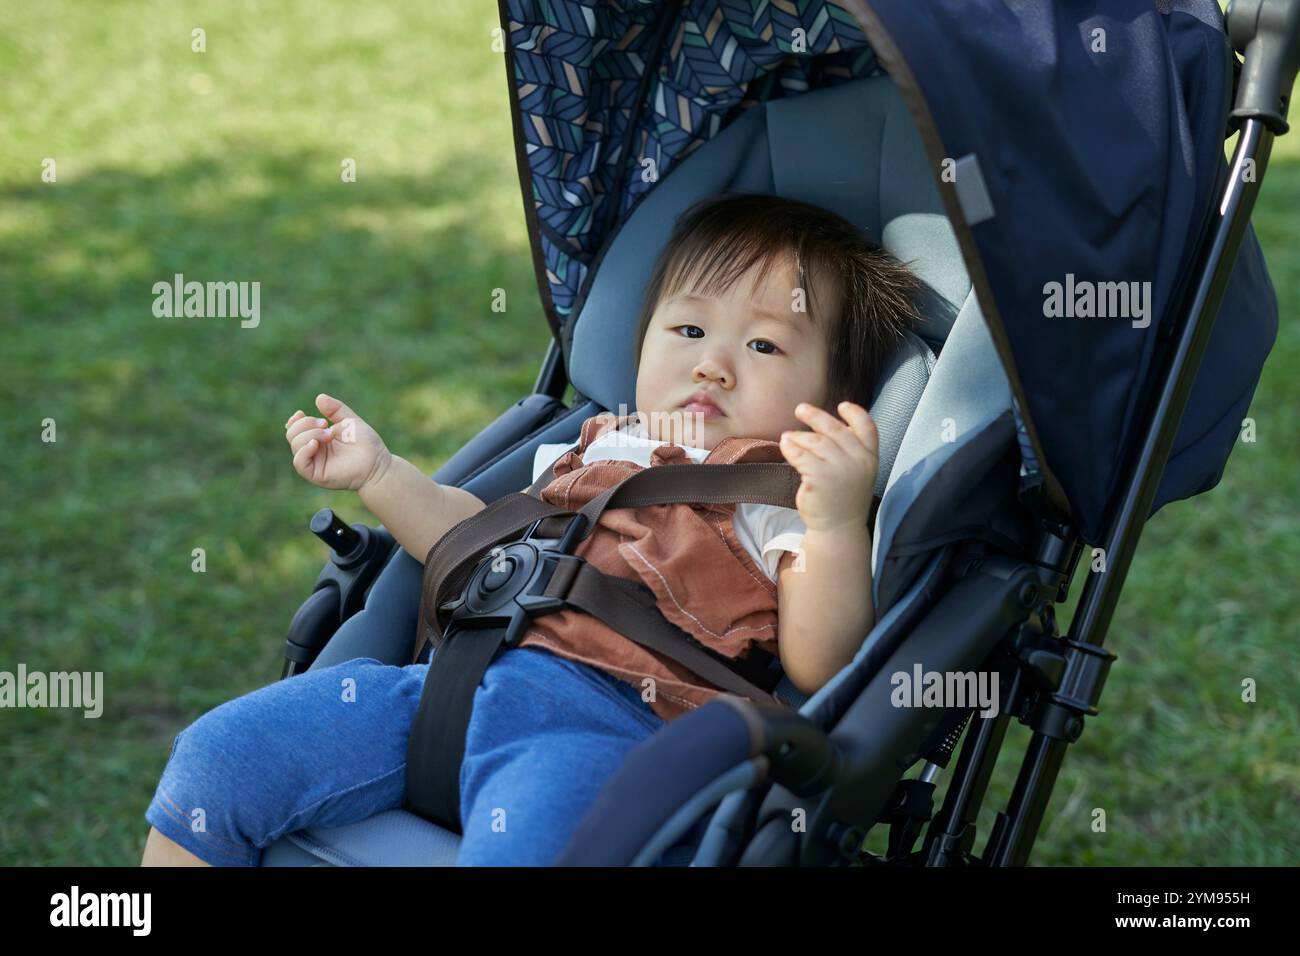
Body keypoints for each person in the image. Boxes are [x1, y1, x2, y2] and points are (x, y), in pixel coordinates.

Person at [140, 192, 925, 867]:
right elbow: (472, 538)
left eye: (763, 344)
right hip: (443, 686)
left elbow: (820, 664)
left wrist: (834, 523)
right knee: (219, 757)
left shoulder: (780, 494)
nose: (714, 365)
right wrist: (381, 476)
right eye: (688, 331)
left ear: (830, 398)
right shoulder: (595, 443)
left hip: (608, 730)